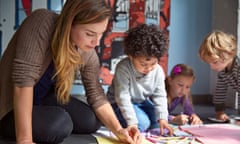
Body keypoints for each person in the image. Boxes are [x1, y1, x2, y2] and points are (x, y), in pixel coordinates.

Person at [0, 0, 142, 144]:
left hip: (43, 99)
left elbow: (96, 95)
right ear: (70, 23)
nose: (96, 42)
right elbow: (22, 81)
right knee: (60, 123)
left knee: (91, 120)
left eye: (100, 34)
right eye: (90, 34)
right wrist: (25, 139)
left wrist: (119, 131)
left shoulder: (86, 52)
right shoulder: (42, 22)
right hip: (10, 107)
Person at [107, 24, 173, 135]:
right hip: (118, 103)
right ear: (131, 56)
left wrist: (163, 118)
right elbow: (122, 97)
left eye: (153, 63)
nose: (149, 68)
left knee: (158, 122)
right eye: (143, 64)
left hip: (141, 102)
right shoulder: (123, 68)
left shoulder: (158, 71)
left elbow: (160, 95)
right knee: (142, 124)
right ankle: (115, 118)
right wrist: (132, 123)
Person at [199, 30, 240, 121]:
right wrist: (219, 112)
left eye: (215, 62)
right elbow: (220, 91)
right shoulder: (222, 71)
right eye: (209, 63)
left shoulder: (238, 67)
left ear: (229, 54)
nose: (212, 67)